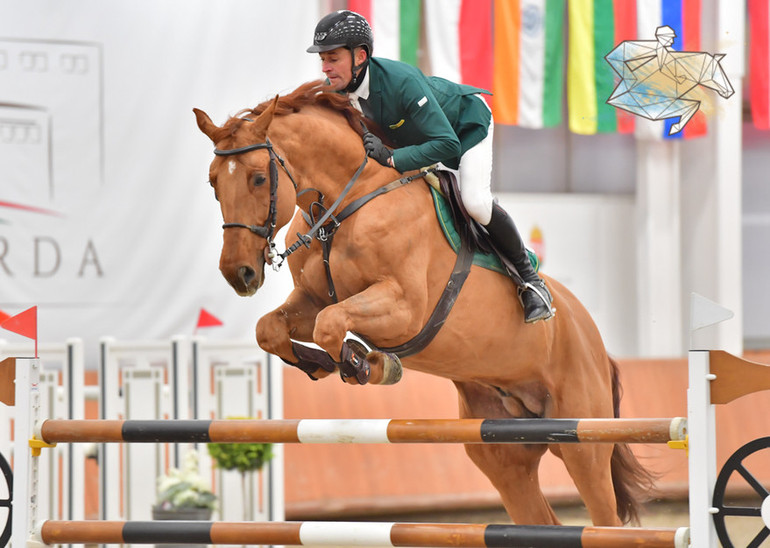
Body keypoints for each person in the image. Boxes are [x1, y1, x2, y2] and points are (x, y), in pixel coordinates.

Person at [307, 10, 554, 323]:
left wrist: (392, 158)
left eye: (332, 58)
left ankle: (531, 280)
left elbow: (447, 144)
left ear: (360, 56)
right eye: (322, 60)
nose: (326, 68)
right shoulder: (336, 91)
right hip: (417, 139)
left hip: (465, 127)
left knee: (474, 202)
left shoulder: (401, 82)